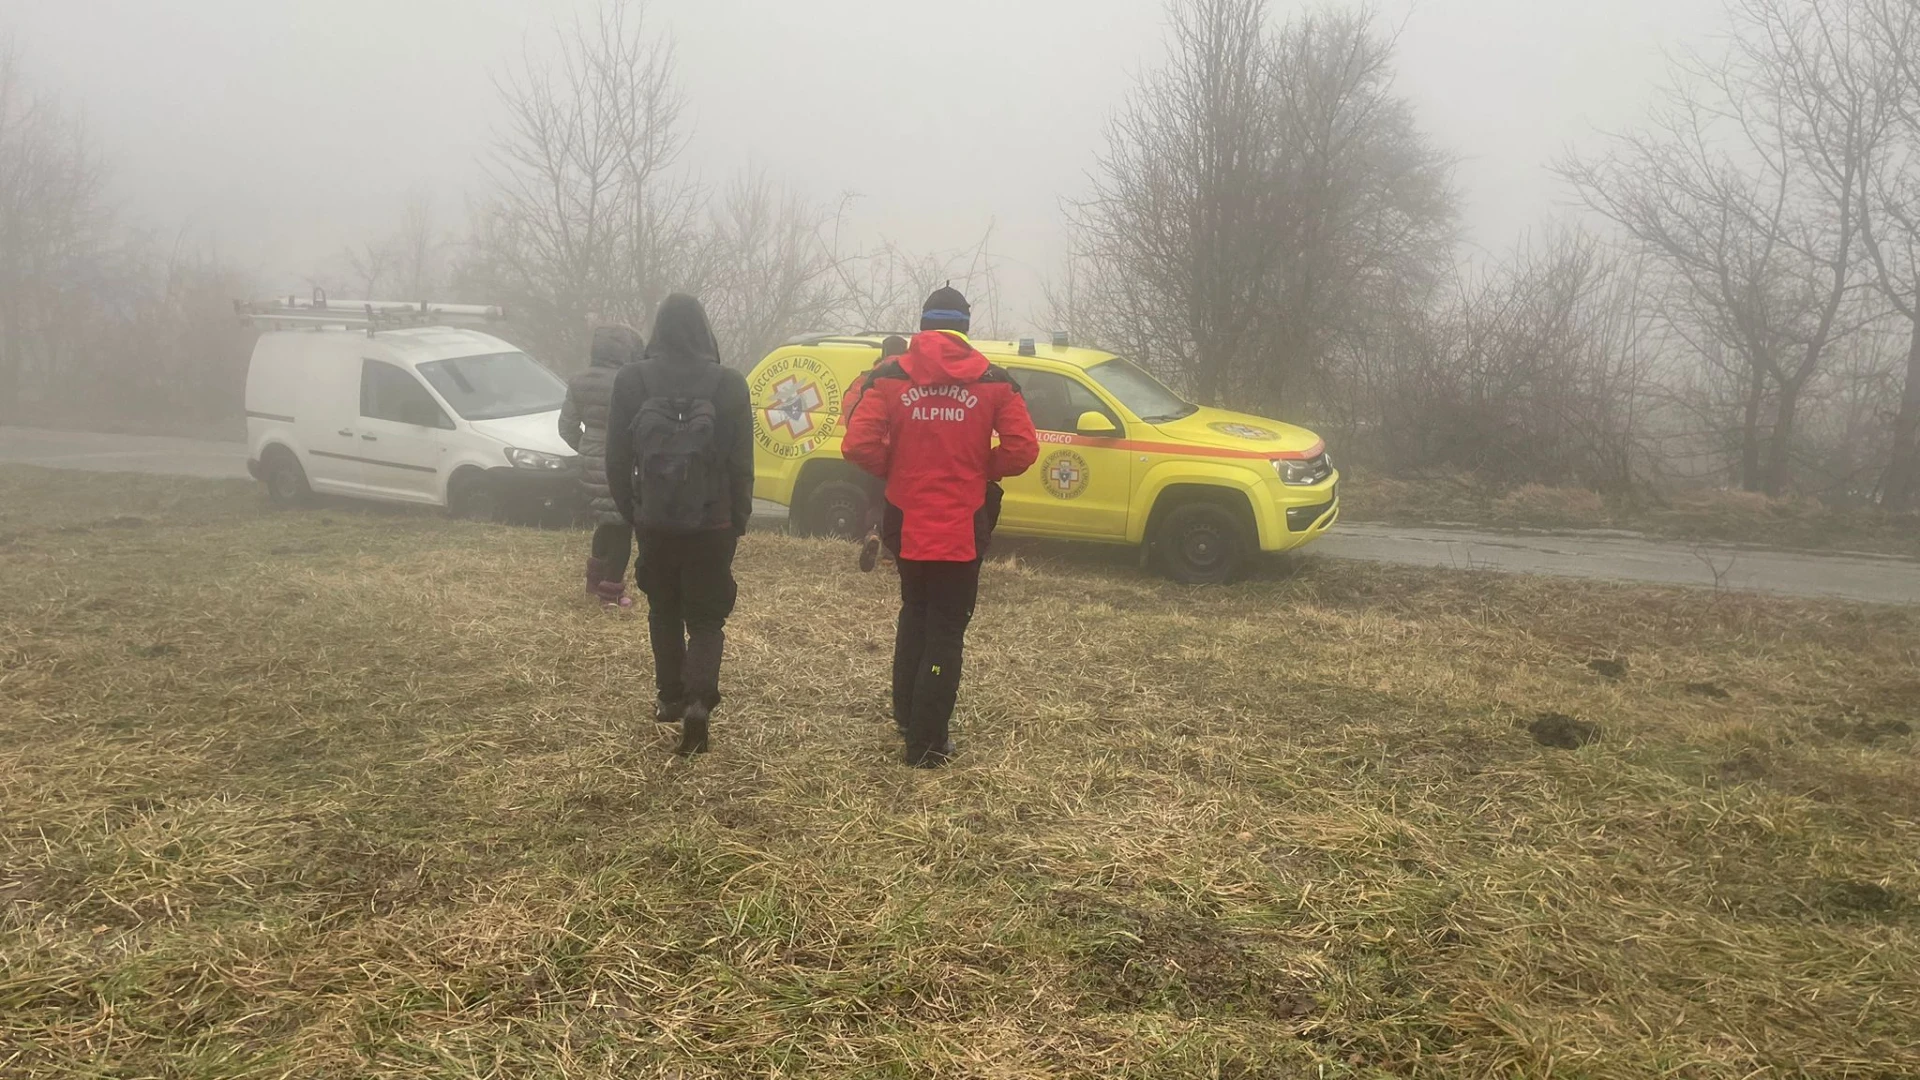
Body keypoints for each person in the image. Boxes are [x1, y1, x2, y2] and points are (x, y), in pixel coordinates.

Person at [841, 287, 1038, 767]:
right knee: (946, 630)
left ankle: (908, 717)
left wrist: (901, 466)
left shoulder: (890, 375)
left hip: (905, 521)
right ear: (965, 327)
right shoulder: (995, 380)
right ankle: (927, 744)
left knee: (914, 613)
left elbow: (858, 444)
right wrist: (978, 466)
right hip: (962, 524)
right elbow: (1021, 449)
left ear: (924, 325)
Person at [606, 295, 754, 756]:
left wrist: (633, 510)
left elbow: (616, 457)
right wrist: (738, 519)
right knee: (707, 618)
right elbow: (742, 461)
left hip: (655, 519)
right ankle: (699, 703)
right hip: (714, 523)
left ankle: (669, 698)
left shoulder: (632, 380)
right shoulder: (729, 384)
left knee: (663, 608)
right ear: (704, 330)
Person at [559, 324, 644, 607]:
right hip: (619, 459)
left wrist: (586, 448)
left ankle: (593, 583)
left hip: (589, 459)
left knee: (606, 522)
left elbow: (566, 426)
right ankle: (611, 594)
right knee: (621, 525)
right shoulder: (629, 380)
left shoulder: (578, 380)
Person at [844, 335, 910, 573]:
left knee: (874, 499)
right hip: (901, 453)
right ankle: (889, 556)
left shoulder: (865, 377)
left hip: (871, 452)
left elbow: (850, 410)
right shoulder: (908, 378)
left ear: (882, 352)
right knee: (898, 504)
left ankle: (872, 533)